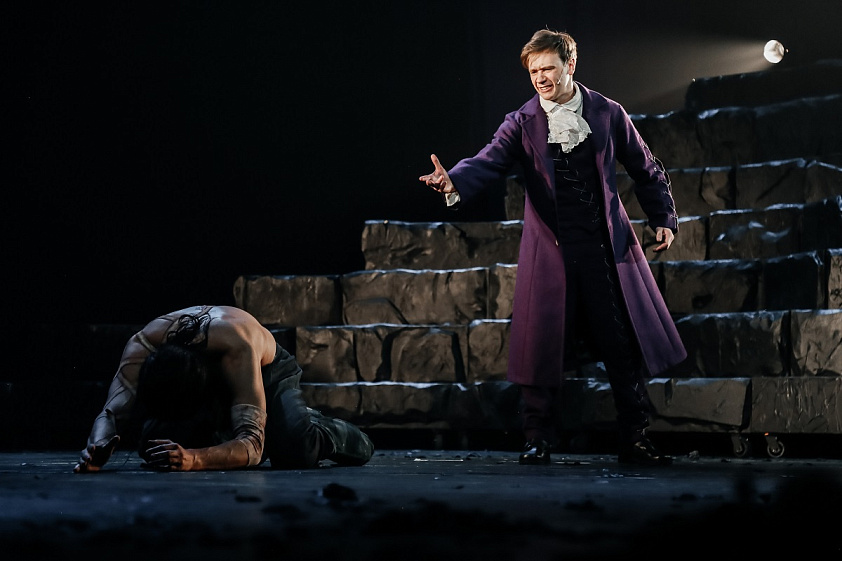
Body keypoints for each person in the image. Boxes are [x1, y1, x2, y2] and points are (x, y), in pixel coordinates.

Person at [419, 29, 687, 466]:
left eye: (548, 68)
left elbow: (646, 167)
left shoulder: (607, 112)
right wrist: (454, 181)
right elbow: (489, 159)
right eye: (534, 72)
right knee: (541, 346)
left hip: (604, 250)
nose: (541, 78)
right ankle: (537, 438)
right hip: (551, 252)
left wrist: (663, 217)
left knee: (621, 345)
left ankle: (635, 438)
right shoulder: (521, 122)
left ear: (570, 65)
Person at [74, 305, 373, 472]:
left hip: (265, 370)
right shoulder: (143, 345)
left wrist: (195, 459)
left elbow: (252, 445)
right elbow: (110, 414)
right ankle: (239, 424)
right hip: (201, 378)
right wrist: (96, 449)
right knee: (154, 446)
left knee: (295, 450)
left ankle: (318, 426)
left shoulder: (237, 349)